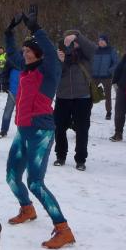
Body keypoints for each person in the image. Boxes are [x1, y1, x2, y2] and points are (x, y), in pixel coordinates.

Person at [3, 11, 75, 249]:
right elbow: (11, 54)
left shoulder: (48, 70)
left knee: (35, 182)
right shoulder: (27, 69)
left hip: (41, 132)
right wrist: (8, 32)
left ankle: (63, 229)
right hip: (23, 130)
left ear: (38, 53)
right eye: (24, 51)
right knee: (12, 177)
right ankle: (27, 209)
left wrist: (36, 29)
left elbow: (50, 53)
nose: (24, 54)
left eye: (29, 51)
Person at [53, 30, 96, 171]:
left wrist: (77, 36)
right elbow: (55, 74)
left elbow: (93, 49)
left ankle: (81, 159)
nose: (73, 44)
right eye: (70, 41)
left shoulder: (86, 55)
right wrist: (60, 62)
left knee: (82, 129)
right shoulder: (59, 54)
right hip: (62, 96)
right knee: (59, 128)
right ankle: (60, 156)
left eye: (75, 41)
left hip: (82, 97)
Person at [91, 34, 119, 120]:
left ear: (106, 42)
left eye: (102, 40)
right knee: (90, 94)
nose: (101, 42)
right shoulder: (95, 50)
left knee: (108, 96)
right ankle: (87, 109)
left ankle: (108, 112)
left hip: (107, 77)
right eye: (99, 40)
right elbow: (90, 61)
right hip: (94, 76)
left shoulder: (111, 50)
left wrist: (109, 71)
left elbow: (116, 63)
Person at [0, 54, 22, 139]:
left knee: (22, 113)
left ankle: (21, 131)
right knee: (8, 111)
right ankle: (4, 130)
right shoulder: (12, 59)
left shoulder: (31, 58)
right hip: (12, 91)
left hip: (24, 93)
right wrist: (4, 85)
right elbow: (5, 73)